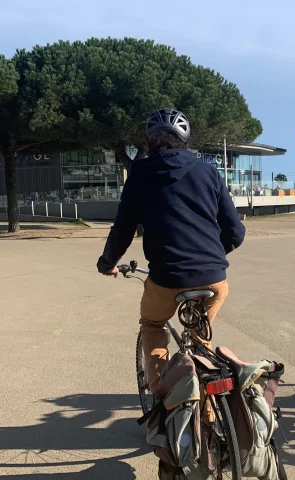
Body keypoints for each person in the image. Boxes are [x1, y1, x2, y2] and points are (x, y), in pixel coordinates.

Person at [96, 108, 245, 393]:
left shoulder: (140, 173)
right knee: (201, 340)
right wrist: (211, 256)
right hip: (214, 277)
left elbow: (123, 229)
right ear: (185, 139)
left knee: (152, 324)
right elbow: (236, 232)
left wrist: (107, 263)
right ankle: (210, 413)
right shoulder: (208, 171)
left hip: (167, 278)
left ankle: (162, 402)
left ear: (150, 141)